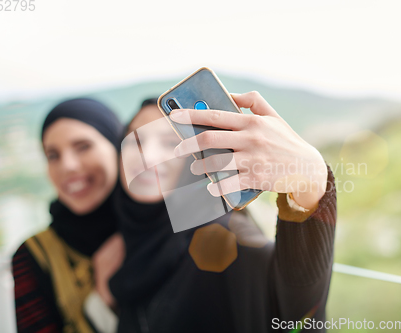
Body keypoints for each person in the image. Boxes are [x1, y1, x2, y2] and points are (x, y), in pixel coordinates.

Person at [107, 92, 336, 332]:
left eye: (171, 143)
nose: (147, 157)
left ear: (200, 157)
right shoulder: (123, 240)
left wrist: (311, 180)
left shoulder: (229, 241)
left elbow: (298, 311)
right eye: (135, 140)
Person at [11, 98, 124, 333]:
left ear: (117, 147)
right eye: (53, 155)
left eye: (83, 146)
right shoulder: (33, 255)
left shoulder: (159, 226)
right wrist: (102, 298)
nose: (68, 166)